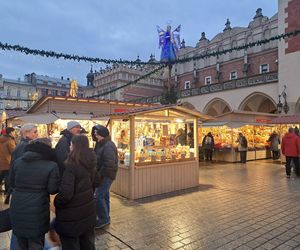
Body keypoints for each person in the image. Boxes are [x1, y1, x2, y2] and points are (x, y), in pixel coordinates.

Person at [9, 138, 60, 250]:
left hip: (18, 205)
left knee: (20, 241)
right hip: (38, 208)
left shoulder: (18, 162)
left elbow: (11, 183)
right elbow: (52, 189)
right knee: (36, 242)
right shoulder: (51, 165)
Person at [54, 135, 100, 250]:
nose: (69, 146)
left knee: (71, 244)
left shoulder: (71, 166)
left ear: (74, 146)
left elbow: (66, 194)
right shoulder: (91, 160)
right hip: (88, 211)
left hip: (72, 216)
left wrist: (56, 202)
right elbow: (97, 181)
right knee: (88, 244)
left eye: (71, 144)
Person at [5, 123, 38, 205]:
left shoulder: (25, 144)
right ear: (26, 133)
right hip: (23, 185)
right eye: (35, 132)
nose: (37, 134)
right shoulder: (25, 146)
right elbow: (21, 167)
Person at [94, 125, 118, 229]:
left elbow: (109, 163)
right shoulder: (100, 144)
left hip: (106, 175)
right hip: (104, 174)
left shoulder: (108, 145)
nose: (95, 135)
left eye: (96, 133)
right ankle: (106, 216)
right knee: (104, 195)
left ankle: (103, 218)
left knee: (98, 196)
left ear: (101, 134)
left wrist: (100, 175)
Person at [0, 127, 16, 194]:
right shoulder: (10, 141)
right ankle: (7, 193)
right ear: (11, 132)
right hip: (7, 163)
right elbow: (14, 151)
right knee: (7, 179)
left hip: (1, 163)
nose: (14, 134)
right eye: (14, 132)